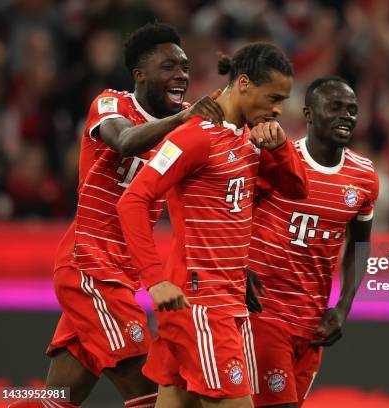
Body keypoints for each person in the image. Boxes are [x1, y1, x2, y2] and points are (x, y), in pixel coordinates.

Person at [9, 23, 224, 408]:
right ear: (139, 74)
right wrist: (183, 120)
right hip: (88, 266)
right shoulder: (111, 104)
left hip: (123, 276)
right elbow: (124, 141)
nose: (182, 75)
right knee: (150, 389)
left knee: (55, 401)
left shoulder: (184, 134)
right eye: (169, 66)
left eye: (186, 67)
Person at [116, 42, 308, 408]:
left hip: (226, 301)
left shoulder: (251, 137)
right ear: (245, 84)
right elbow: (133, 201)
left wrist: (281, 147)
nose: (278, 109)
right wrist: (154, 281)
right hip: (203, 307)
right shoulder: (195, 136)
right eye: (274, 97)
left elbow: (296, 188)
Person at [247, 77, 379, 407]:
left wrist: (343, 308)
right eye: (334, 107)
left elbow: (361, 245)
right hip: (264, 314)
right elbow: (231, 212)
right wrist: (237, 267)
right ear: (308, 113)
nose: (346, 115)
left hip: (312, 325)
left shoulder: (364, 177)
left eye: (352, 110)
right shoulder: (277, 158)